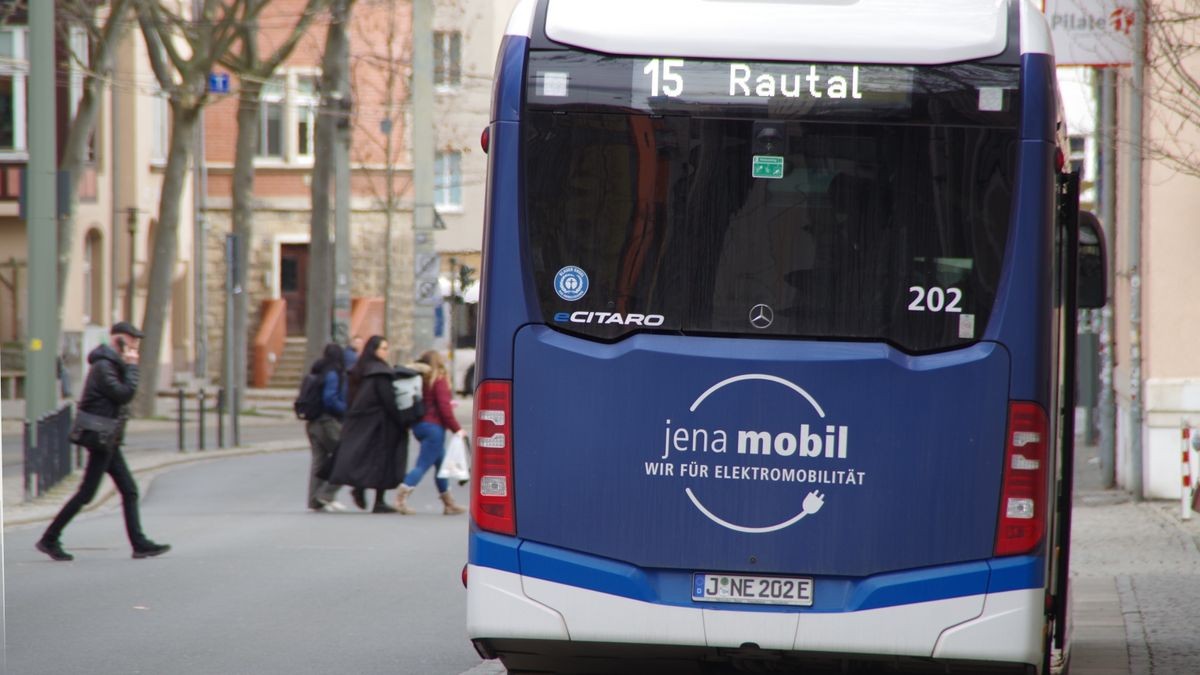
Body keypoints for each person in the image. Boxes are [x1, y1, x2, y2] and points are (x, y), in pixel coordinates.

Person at [36, 322, 171, 561]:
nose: (134, 345)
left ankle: (139, 544)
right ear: (118, 339)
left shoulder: (111, 364)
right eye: (131, 340)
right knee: (88, 494)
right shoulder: (104, 366)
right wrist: (132, 366)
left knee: (128, 490)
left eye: (136, 341)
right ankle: (49, 538)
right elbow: (124, 394)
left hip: (108, 438)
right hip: (100, 437)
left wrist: (128, 366)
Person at [329, 335, 409, 513]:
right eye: (384, 348)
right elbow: (388, 400)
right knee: (381, 461)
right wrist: (402, 420)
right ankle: (378, 500)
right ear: (374, 350)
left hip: (359, 422)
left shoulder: (359, 369)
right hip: (380, 425)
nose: (386, 352)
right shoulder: (380, 372)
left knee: (363, 458)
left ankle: (361, 489)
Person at [394, 350, 467, 516]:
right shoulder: (438, 379)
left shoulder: (420, 379)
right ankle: (401, 497)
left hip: (419, 425)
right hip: (434, 428)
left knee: (441, 465)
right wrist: (457, 429)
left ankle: (449, 503)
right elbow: (444, 408)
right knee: (422, 465)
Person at [306, 343, 349, 512]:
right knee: (346, 456)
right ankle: (326, 494)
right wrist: (345, 409)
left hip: (312, 422)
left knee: (319, 461)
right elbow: (330, 399)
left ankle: (314, 500)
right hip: (327, 421)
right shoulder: (333, 373)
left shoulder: (317, 371)